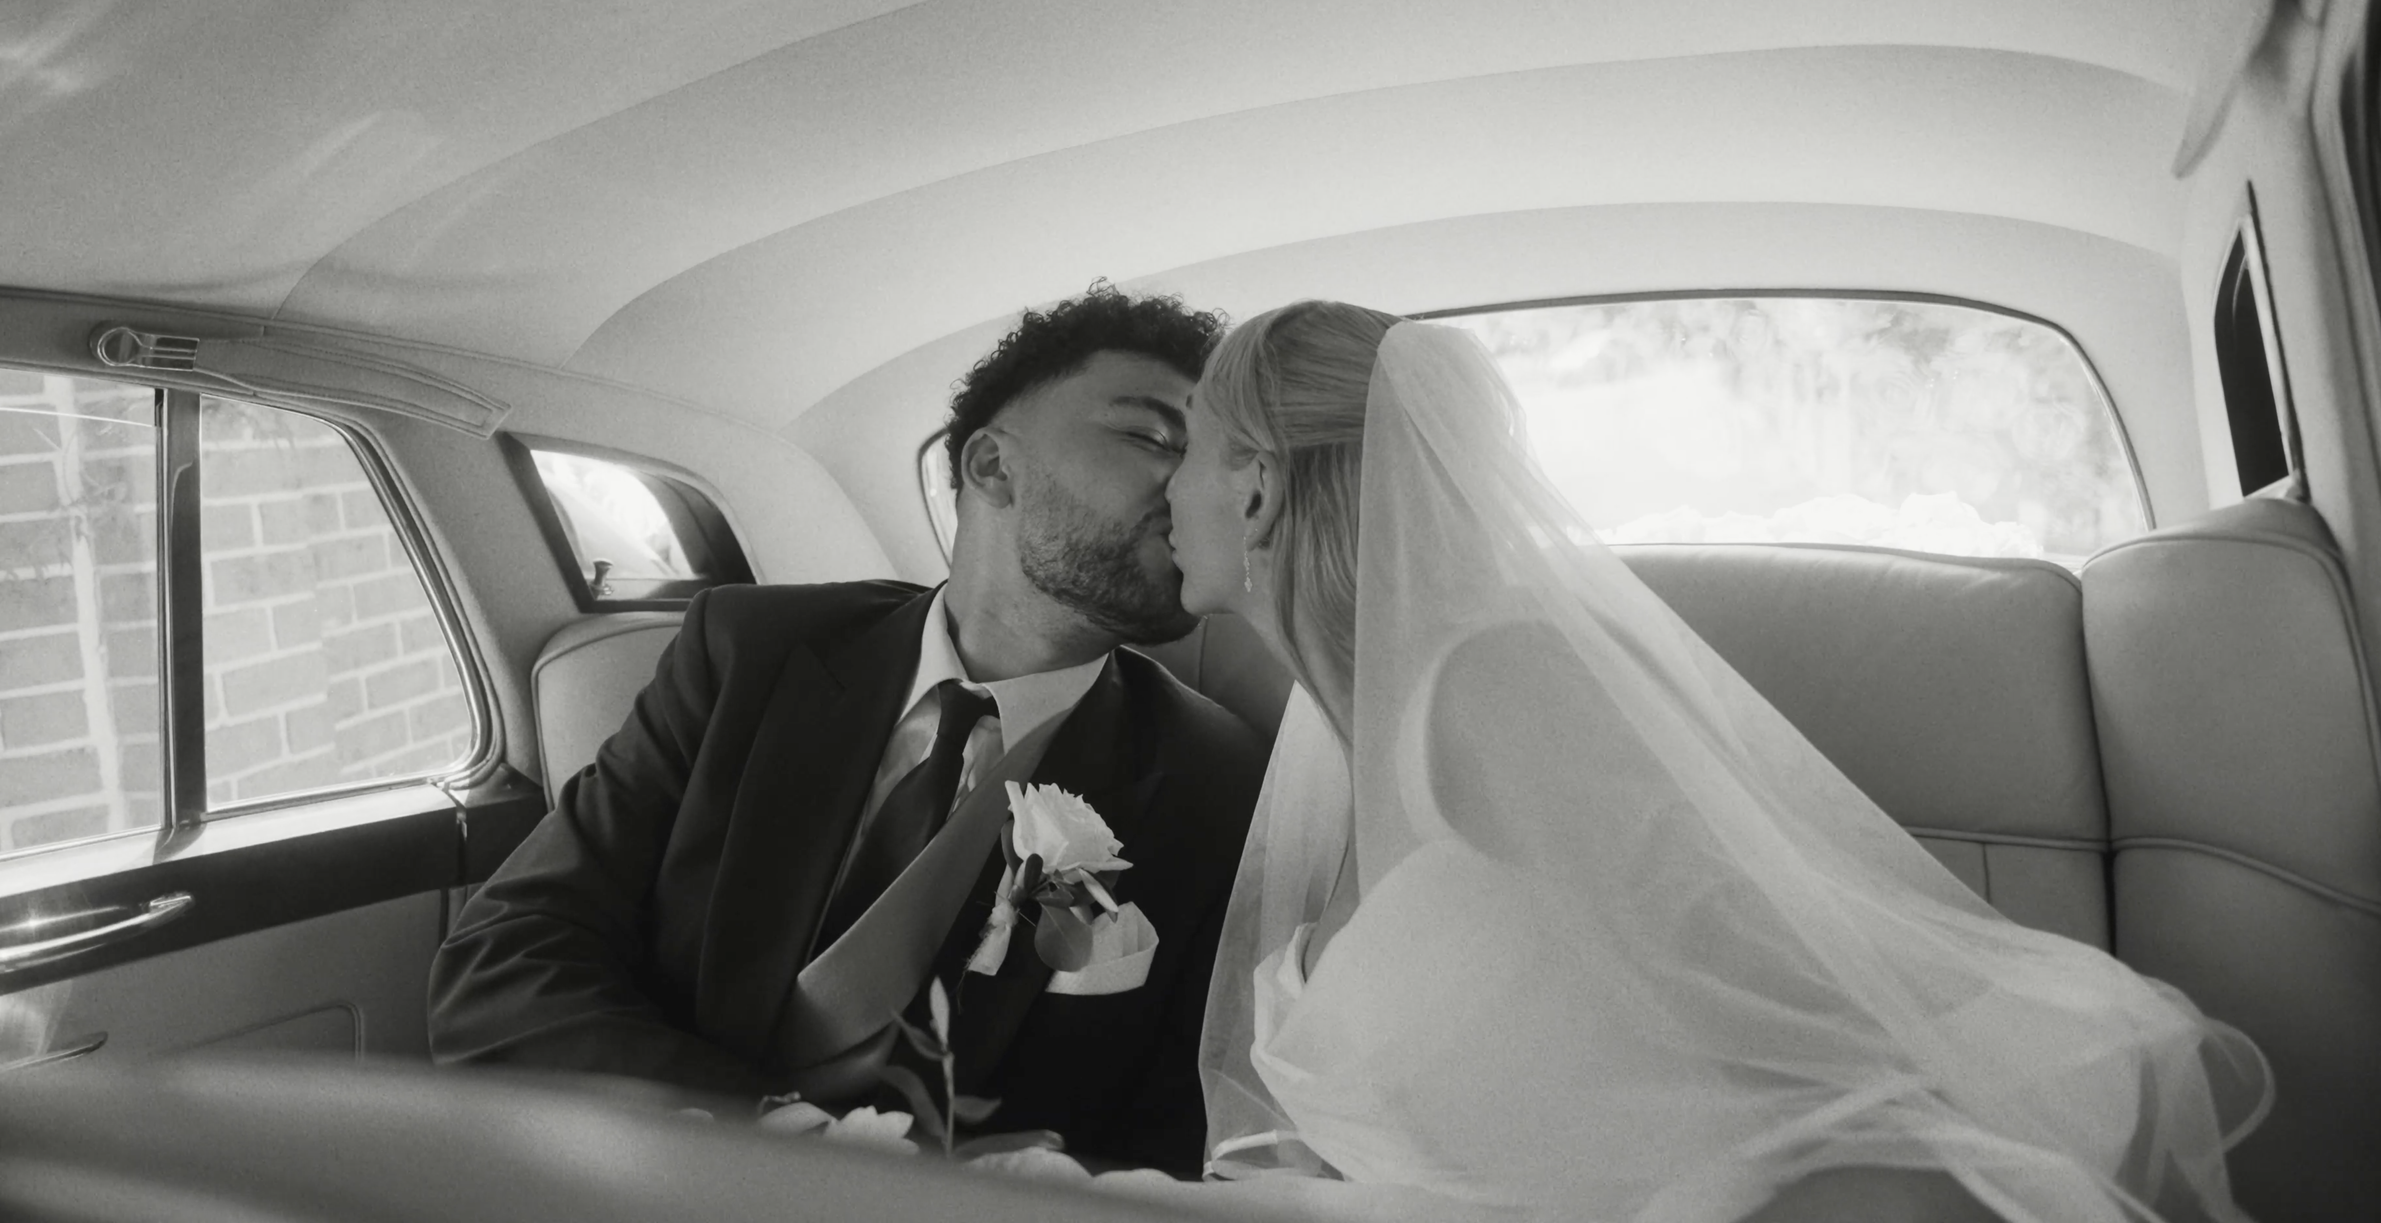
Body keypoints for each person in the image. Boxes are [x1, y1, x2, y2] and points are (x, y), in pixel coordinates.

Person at [1156, 301, 2273, 1222]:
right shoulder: (1336, 741)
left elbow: (1792, 1025)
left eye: (1185, 444)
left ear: (1256, 488)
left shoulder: (1489, 690)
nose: (1164, 489)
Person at [427, 285, 1268, 1175]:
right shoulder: (748, 654)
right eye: (1154, 439)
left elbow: (1179, 1131)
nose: (1194, 490)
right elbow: (507, 957)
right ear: (992, 467)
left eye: (1218, 463)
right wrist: (763, 1142)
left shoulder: (1216, 780)